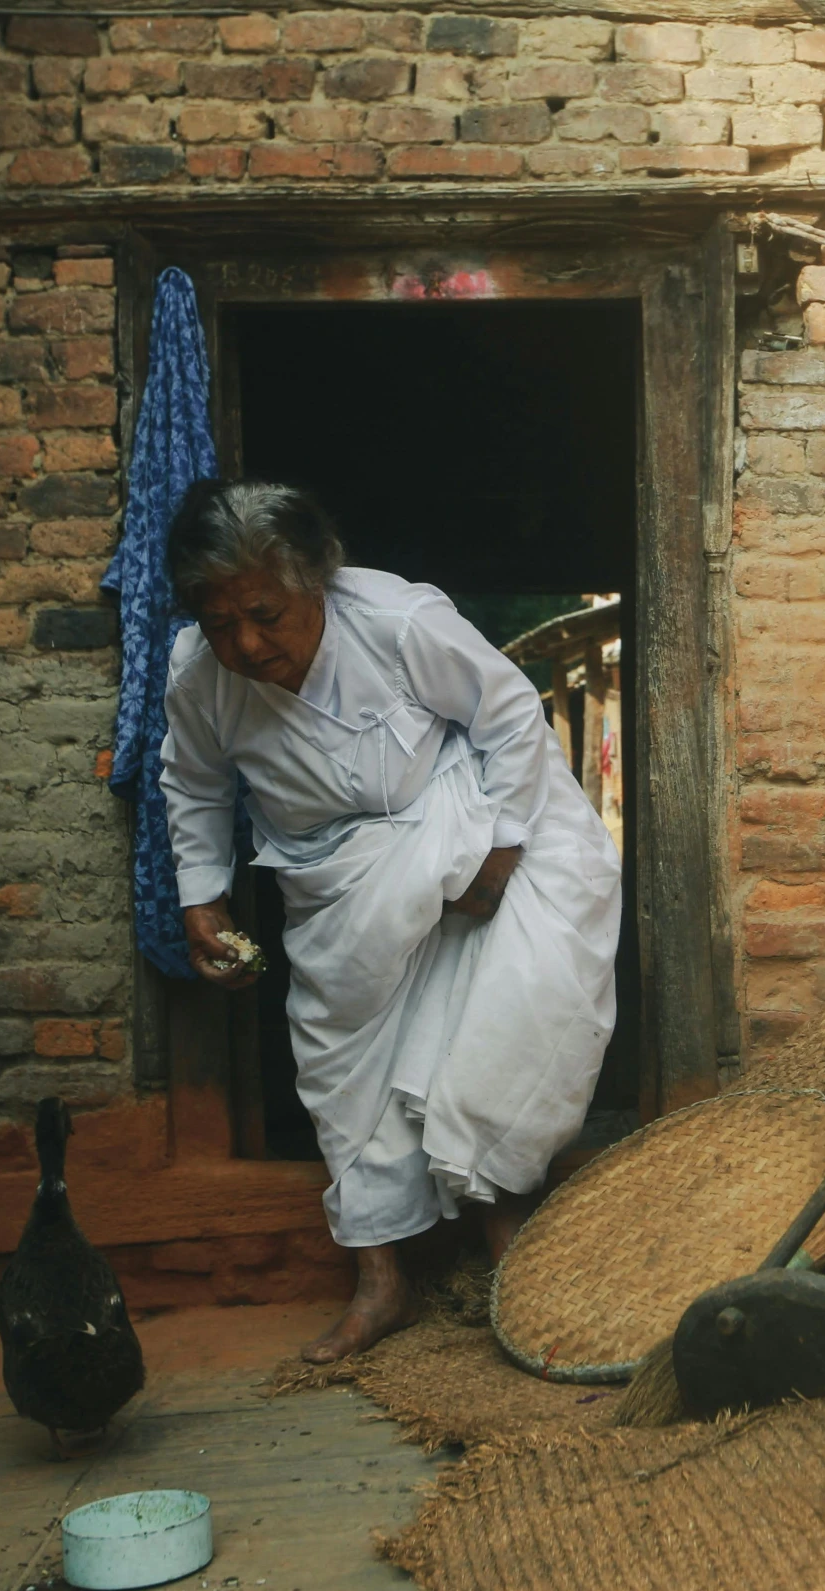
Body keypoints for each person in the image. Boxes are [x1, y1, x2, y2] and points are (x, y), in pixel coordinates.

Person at [159, 480, 622, 1363]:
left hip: (464, 827)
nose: (246, 644)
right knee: (338, 1070)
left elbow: (512, 714)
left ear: (316, 585)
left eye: (265, 614)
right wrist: (203, 899)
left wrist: (504, 849)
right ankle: (383, 1282)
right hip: (333, 883)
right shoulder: (198, 677)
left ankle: (507, 1250)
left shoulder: (397, 621)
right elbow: (195, 783)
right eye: (221, 624)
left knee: (499, 1015)